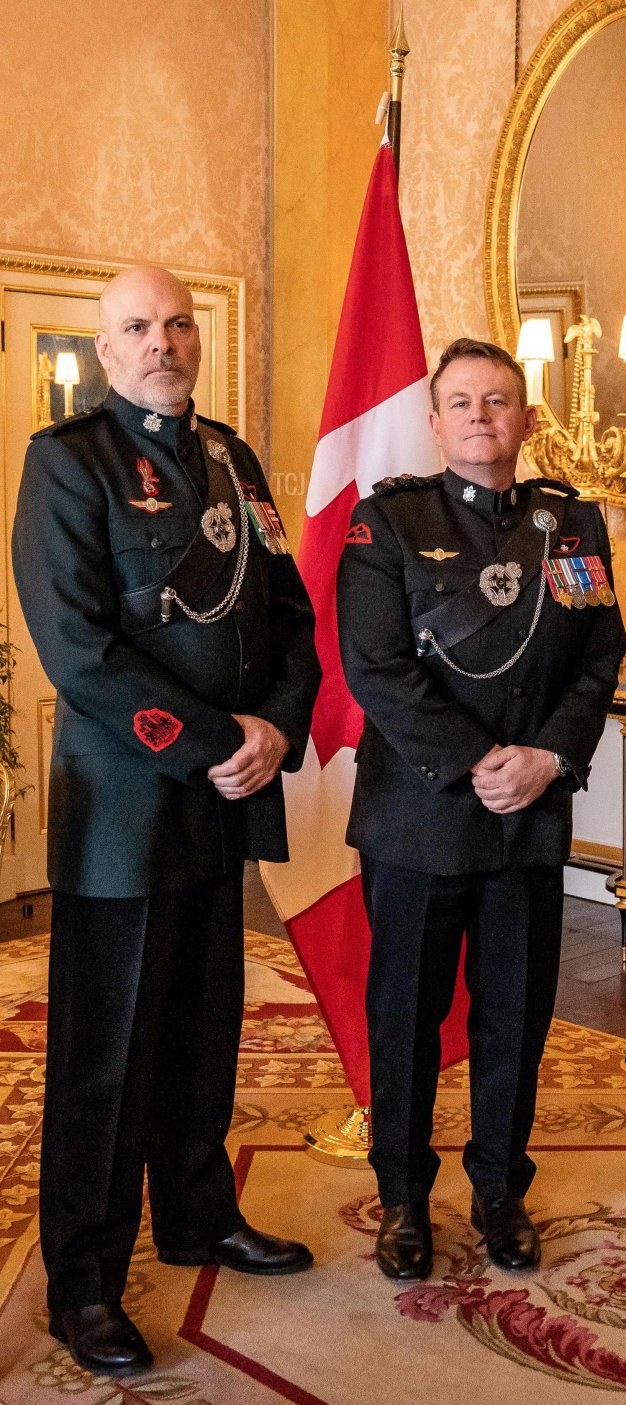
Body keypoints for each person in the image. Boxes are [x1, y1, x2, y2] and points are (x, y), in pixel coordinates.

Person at [11, 266, 320, 1374]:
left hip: (226, 797)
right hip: (132, 804)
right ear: (106, 351)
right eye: (137, 328)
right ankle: (84, 1281)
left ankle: (196, 1214)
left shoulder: (234, 460)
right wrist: (217, 744)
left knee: (203, 1024)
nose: (162, 343)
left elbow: (289, 614)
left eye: (178, 324)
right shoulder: (67, 462)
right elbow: (80, 648)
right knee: (106, 1052)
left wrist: (279, 727)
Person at [337, 338, 625, 1283]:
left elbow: (598, 657)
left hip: (527, 817)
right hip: (422, 816)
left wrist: (546, 757)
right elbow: (375, 668)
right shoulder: (386, 523)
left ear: (526, 417)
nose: (479, 417)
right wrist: (480, 761)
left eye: (497, 401)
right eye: (460, 401)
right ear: (435, 420)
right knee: (407, 1015)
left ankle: (502, 1191)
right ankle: (404, 1199)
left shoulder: (570, 524)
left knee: (516, 1016)